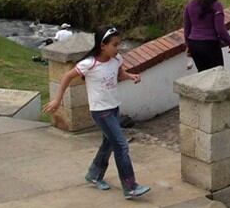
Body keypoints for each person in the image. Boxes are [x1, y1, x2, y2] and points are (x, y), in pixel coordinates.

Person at [43, 26, 151, 199]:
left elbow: (120, 74)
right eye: (114, 45)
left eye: (119, 44)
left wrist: (131, 77)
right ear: (103, 46)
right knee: (121, 146)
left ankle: (94, 175)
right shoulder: (89, 64)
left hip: (114, 107)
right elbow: (66, 77)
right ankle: (130, 187)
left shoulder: (116, 59)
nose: (118, 48)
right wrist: (57, 100)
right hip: (101, 112)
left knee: (108, 144)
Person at [183, 0, 230, 72]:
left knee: (203, 75)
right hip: (210, 45)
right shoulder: (216, 6)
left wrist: (188, 45)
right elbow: (220, 29)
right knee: (218, 75)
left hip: (194, 44)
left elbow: (187, 28)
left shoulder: (190, 5)